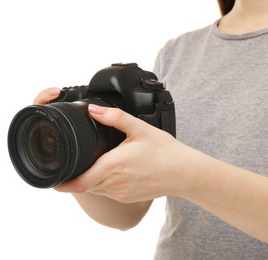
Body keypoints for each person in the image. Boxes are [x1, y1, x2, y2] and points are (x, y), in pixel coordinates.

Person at [33, 0, 268, 258]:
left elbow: (182, 175)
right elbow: (126, 215)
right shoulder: (179, 51)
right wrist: (74, 156)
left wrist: (185, 174)